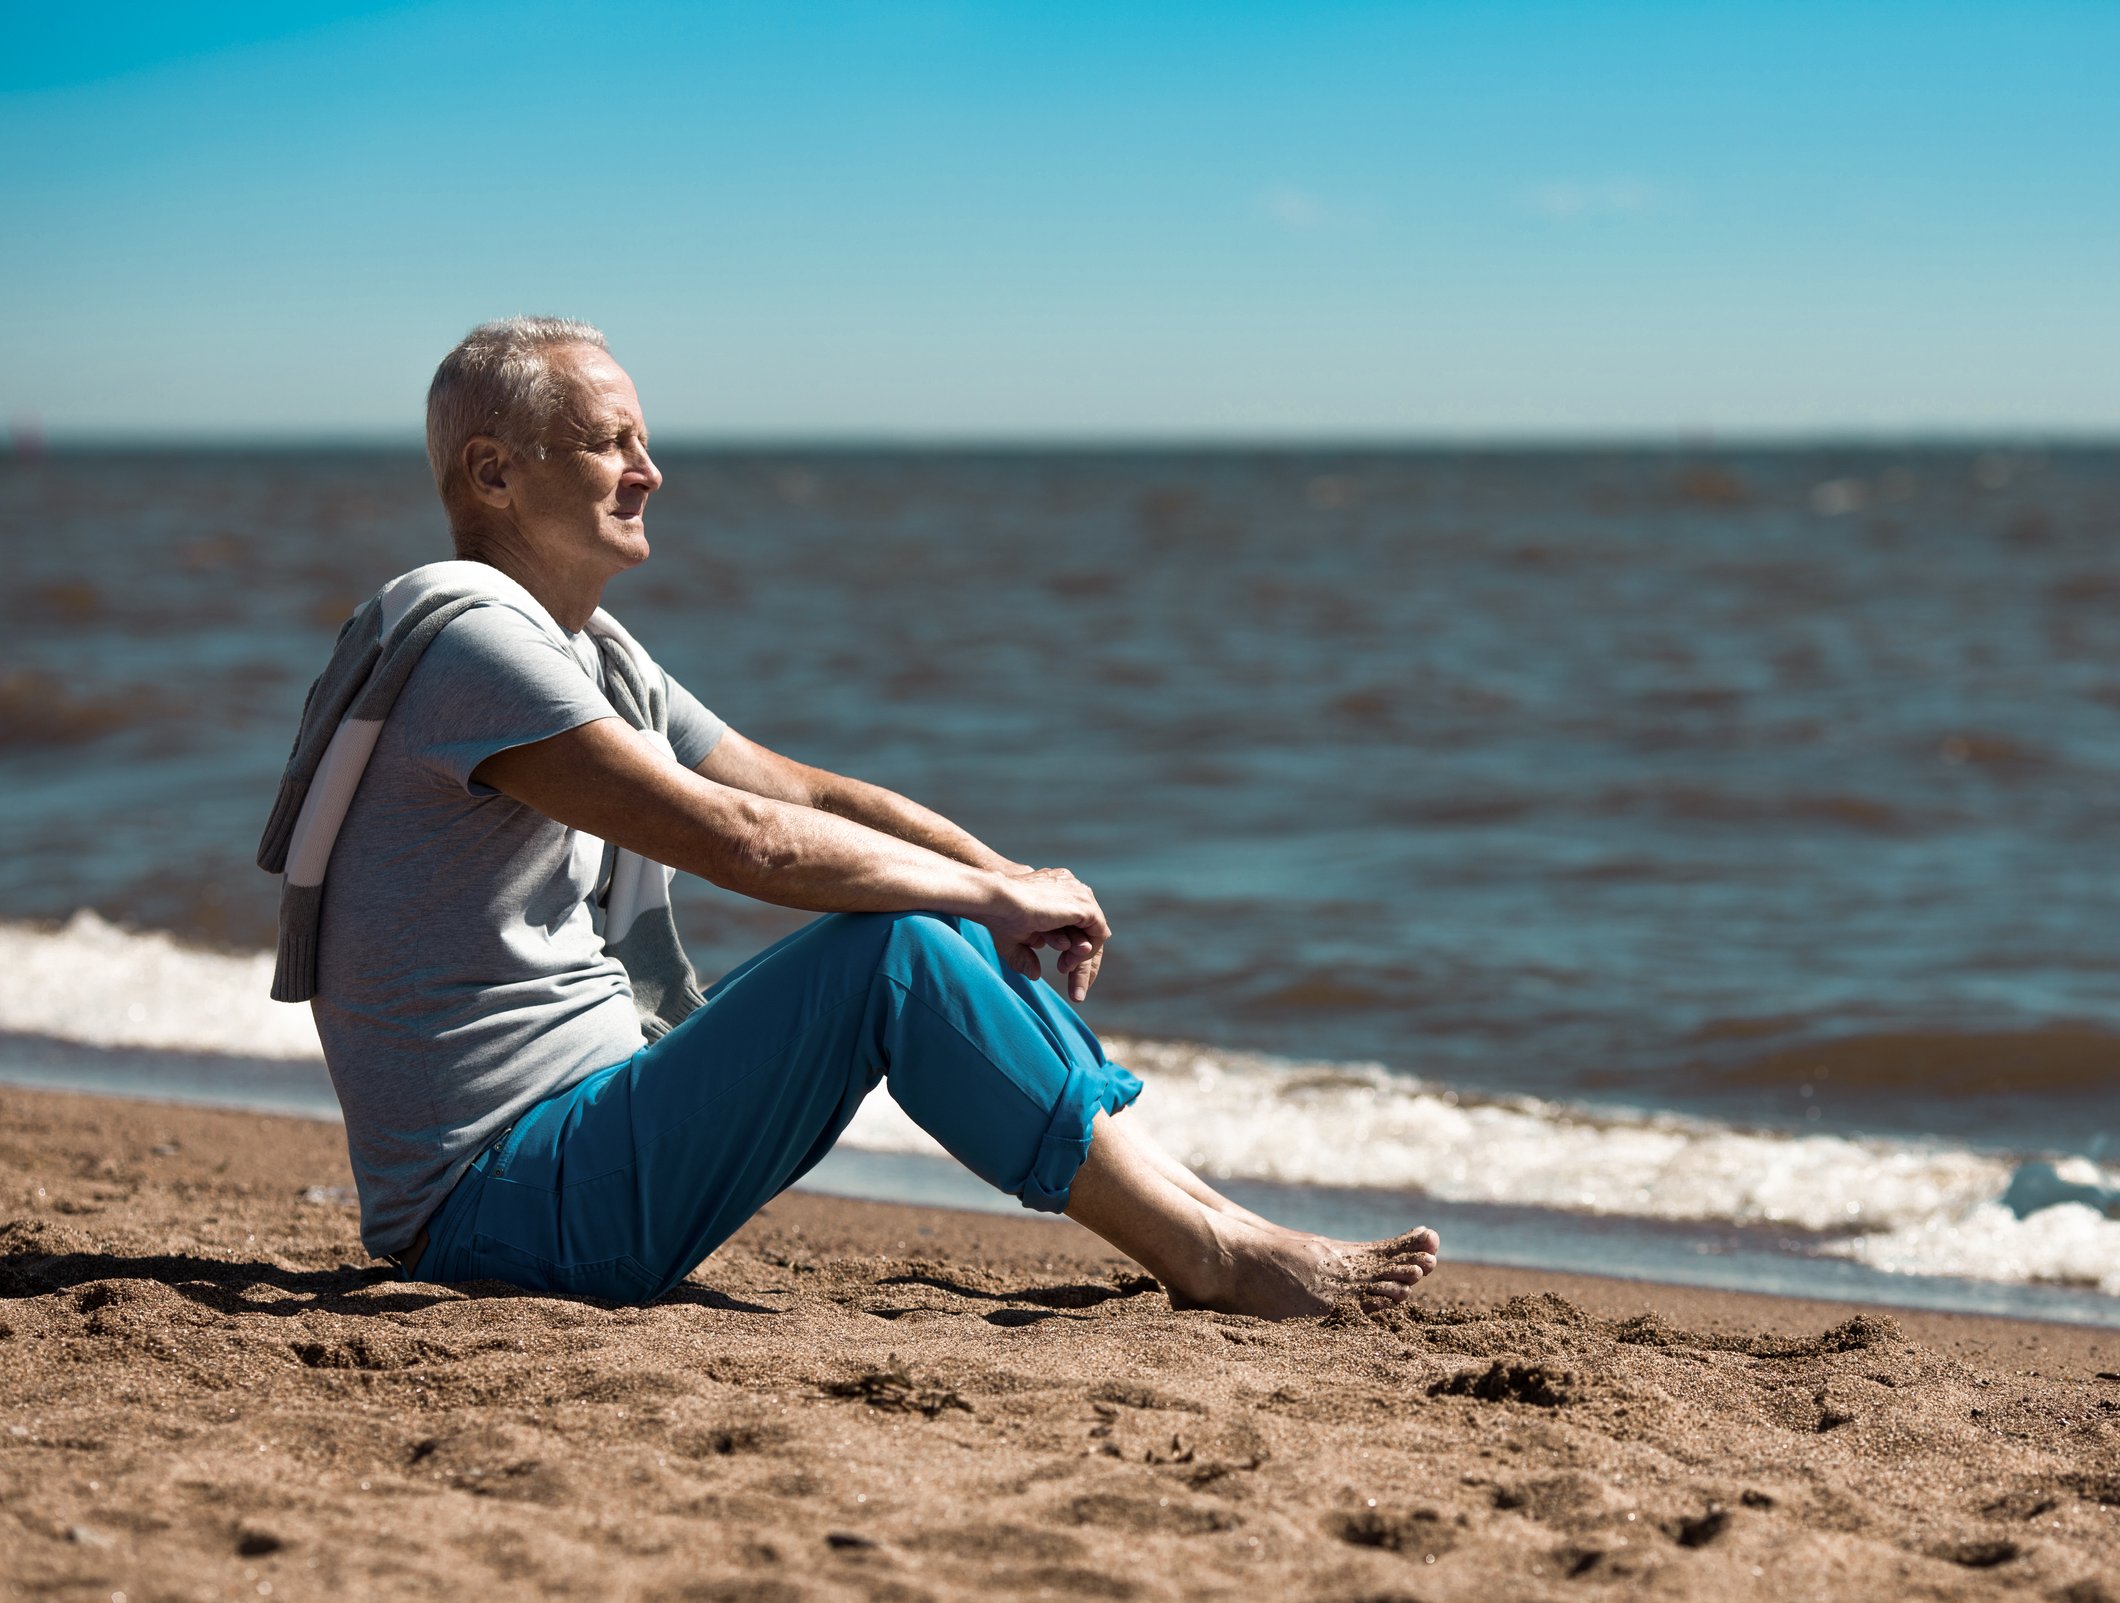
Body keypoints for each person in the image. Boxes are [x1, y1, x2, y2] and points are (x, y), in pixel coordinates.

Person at [279, 316, 1439, 1318]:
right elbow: (746, 842)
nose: (650, 470)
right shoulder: (478, 647)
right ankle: (1214, 1254)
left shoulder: (586, 652)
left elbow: (803, 791)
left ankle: (1214, 1224)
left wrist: (1008, 875)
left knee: (923, 929)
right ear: (492, 474)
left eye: (643, 439)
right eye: (610, 442)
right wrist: (987, 899)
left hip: (570, 1144)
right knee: (892, 947)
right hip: (502, 1206)